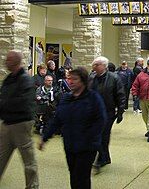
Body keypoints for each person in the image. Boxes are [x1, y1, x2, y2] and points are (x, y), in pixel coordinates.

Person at [39, 67, 107, 189]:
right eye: (69, 78)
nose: (70, 81)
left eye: (74, 79)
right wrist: (45, 137)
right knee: (74, 175)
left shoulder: (93, 98)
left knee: (81, 177)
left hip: (87, 147)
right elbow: (57, 119)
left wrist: (91, 139)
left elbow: (101, 121)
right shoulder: (66, 98)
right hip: (70, 145)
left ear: (83, 81)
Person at [0, 51, 39, 189]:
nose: (6, 62)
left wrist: (4, 104)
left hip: (21, 124)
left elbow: (23, 102)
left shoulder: (26, 80)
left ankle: (32, 186)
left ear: (15, 62)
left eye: (8, 60)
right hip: (7, 124)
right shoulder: (8, 79)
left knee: (28, 161)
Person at [89, 56, 126, 171]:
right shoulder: (91, 78)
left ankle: (101, 159)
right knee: (96, 135)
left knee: (103, 135)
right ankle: (106, 156)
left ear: (103, 66)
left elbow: (120, 95)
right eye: (93, 65)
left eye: (96, 65)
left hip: (108, 111)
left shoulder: (114, 78)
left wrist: (120, 111)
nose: (94, 67)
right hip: (94, 112)